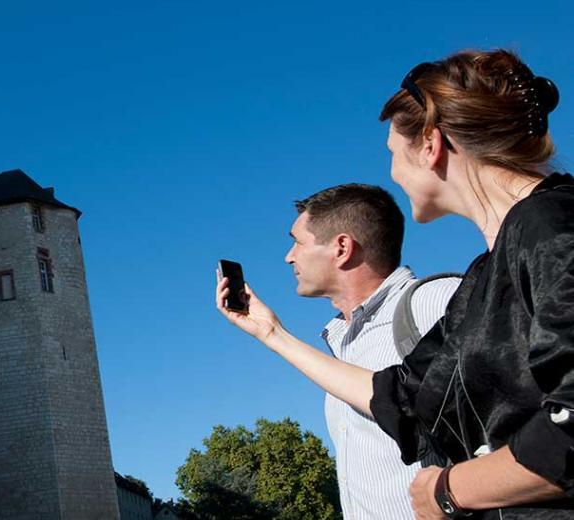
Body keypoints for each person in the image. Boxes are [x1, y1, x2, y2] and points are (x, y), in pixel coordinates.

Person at [217, 50, 573, 519]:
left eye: (391, 153)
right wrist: (272, 334)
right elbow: (404, 401)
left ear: (431, 144)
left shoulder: (551, 226)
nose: (391, 173)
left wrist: (450, 489)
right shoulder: (485, 276)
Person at [282, 183, 459, 519]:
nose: (289, 256)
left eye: (297, 241)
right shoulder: (342, 341)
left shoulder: (434, 303)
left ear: (342, 248)